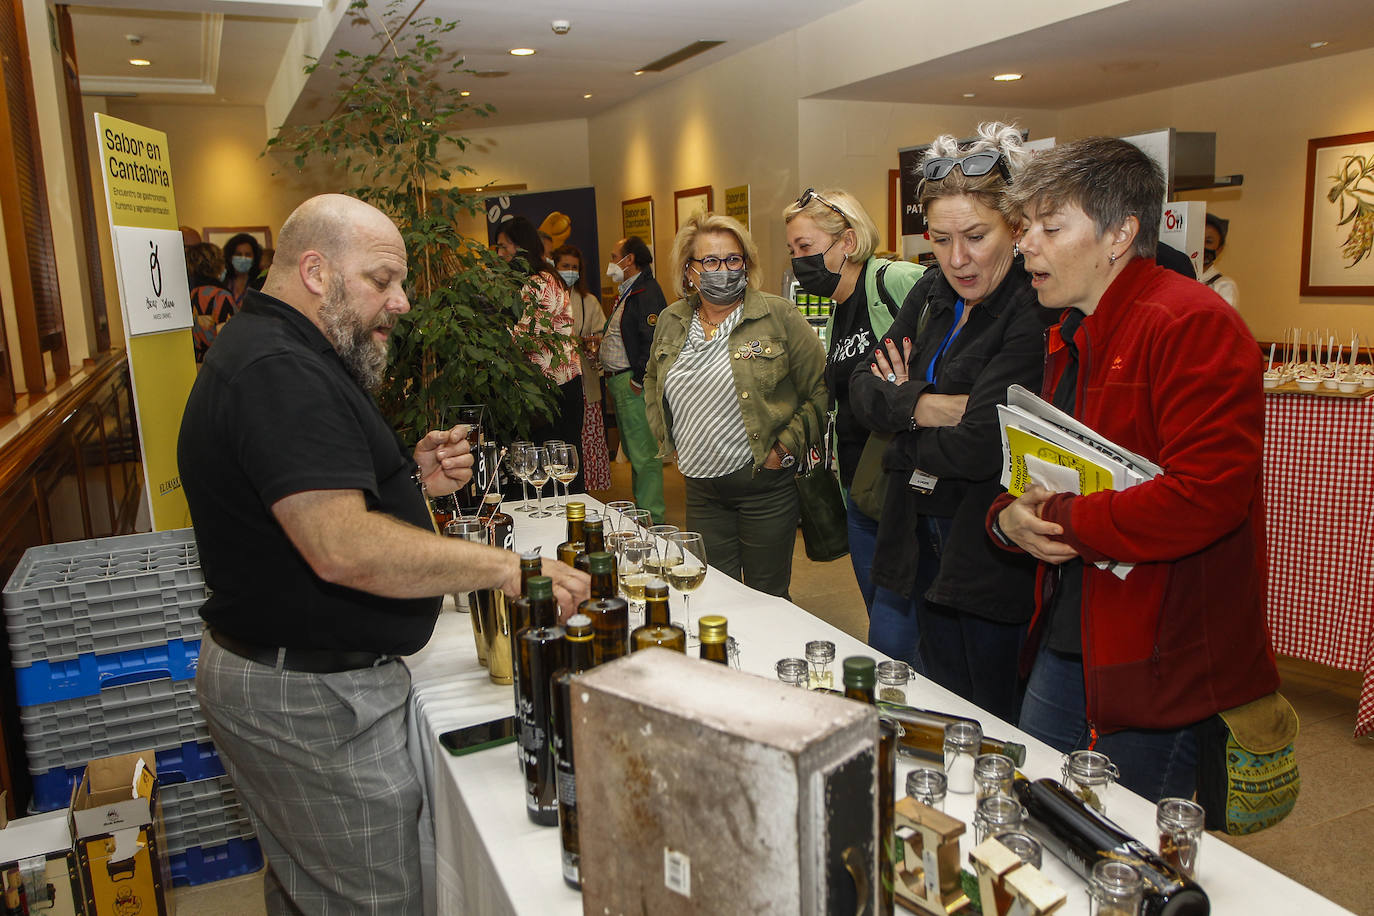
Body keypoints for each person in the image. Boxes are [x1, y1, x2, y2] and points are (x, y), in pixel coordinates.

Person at [178, 193, 589, 913]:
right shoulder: (279, 370)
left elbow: (305, 495)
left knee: (310, 887)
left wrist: (409, 479)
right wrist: (508, 567)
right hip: (307, 699)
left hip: (298, 677)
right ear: (315, 271)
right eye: (382, 280)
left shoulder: (288, 350)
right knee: (374, 898)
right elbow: (341, 546)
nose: (400, 303)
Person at [990, 137, 1277, 802]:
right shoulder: (1069, 330)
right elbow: (1037, 467)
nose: (1027, 245)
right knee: (1046, 817)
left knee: (1130, 862)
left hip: (1160, 667)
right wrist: (1009, 517)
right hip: (1074, 636)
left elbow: (1205, 498)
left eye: (1049, 227)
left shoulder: (1191, 323)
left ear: (1121, 233)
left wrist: (1057, 517)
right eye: (1024, 226)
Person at [846, 123, 1050, 703]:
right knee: (934, 697)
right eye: (939, 239)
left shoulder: (1032, 309)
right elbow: (862, 389)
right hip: (914, 531)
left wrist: (900, 419)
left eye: (976, 236)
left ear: (1015, 227)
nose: (957, 259)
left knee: (989, 712)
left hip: (984, 546)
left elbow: (983, 443)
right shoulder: (933, 291)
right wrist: (929, 406)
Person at [644, 212, 827, 598]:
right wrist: (668, 437)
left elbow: (822, 389)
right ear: (690, 271)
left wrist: (784, 448)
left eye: (733, 260)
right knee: (716, 597)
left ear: (746, 264)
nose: (722, 270)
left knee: (767, 598)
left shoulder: (777, 315)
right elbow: (651, 379)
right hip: (701, 491)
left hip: (764, 486)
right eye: (710, 261)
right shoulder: (671, 320)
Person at [783, 188, 924, 616]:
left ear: (847, 241)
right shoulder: (838, 306)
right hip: (857, 485)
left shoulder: (893, 282)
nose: (797, 260)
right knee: (876, 608)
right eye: (792, 249)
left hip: (899, 483)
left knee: (897, 623)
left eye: (805, 247)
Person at [496, 216, 584, 488]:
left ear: (520, 246)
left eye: (503, 247)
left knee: (554, 470)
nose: (499, 254)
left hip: (553, 390)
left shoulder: (541, 282)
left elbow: (524, 337)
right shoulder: (534, 279)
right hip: (543, 388)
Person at [600, 235, 668, 522]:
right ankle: (645, 513)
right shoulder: (629, 290)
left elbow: (654, 339)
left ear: (629, 260)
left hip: (633, 385)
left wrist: (639, 379)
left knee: (643, 455)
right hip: (619, 381)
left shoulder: (646, 292)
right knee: (634, 452)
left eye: (615, 256)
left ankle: (652, 520)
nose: (611, 262)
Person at [553, 243, 612, 491]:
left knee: (587, 439)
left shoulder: (588, 300)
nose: (570, 271)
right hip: (556, 380)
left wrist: (593, 343)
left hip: (585, 380)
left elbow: (601, 334)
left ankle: (585, 487)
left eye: (574, 267)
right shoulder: (548, 297)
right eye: (565, 266)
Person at [185, 242, 235, 363]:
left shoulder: (190, 294)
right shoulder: (221, 296)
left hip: (195, 364)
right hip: (219, 365)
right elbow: (228, 341)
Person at [1201, 212, 1239, 307]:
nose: (1201, 246)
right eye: (1198, 239)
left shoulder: (1224, 286)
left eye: (1208, 241)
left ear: (1219, 249)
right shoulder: (1178, 276)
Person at [223, 232, 265, 307]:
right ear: (230, 257)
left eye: (247, 255)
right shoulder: (224, 282)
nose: (243, 258)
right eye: (238, 254)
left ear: (254, 258)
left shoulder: (260, 283)